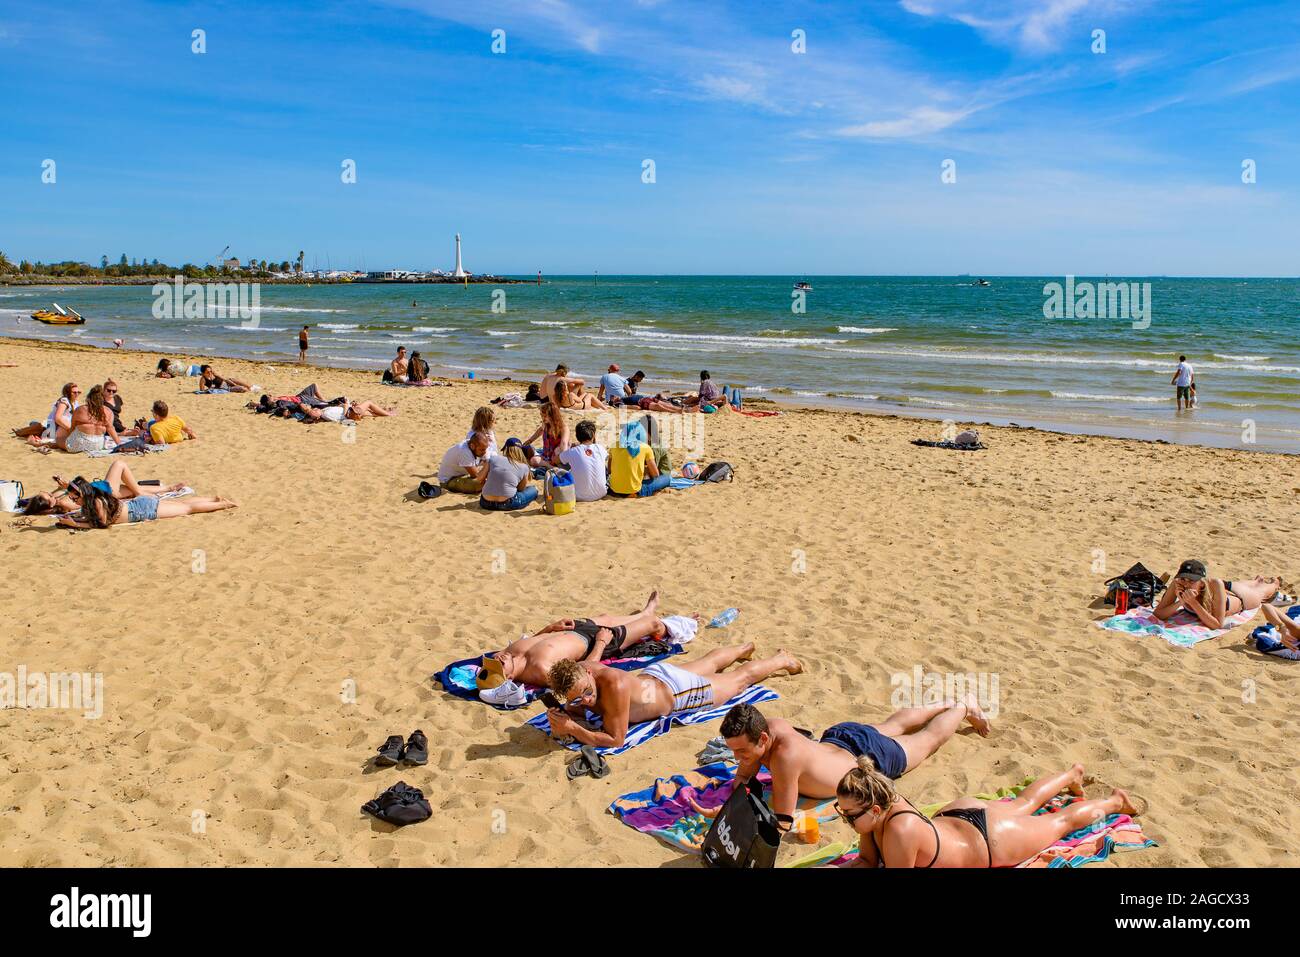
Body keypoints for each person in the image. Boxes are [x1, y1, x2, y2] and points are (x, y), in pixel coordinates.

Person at [689, 700, 990, 829]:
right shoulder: (765, 727)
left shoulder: (785, 757)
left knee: (927, 740)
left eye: (742, 750)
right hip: (840, 737)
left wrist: (733, 813)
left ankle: (962, 704)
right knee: (893, 723)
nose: (738, 758)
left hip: (867, 760)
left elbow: (782, 820)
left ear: (763, 738)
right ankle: (945, 702)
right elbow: (743, 777)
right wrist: (733, 802)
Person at [833, 760, 1139, 868]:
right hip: (959, 815)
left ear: (874, 809)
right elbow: (867, 862)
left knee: (1061, 821)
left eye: (848, 815)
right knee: (1023, 802)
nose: (845, 820)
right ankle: (1072, 774)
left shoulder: (900, 831)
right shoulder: (881, 804)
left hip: (990, 841)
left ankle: (1115, 801)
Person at [542, 642, 802, 750]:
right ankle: (744, 647)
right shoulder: (581, 677)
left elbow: (616, 740)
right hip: (655, 676)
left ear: (589, 673)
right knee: (708, 662)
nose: (585, 700)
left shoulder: (615, 686)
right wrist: (566, 713)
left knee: (738, 680)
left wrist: (573, 728)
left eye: (587, 692)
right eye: (577, 698)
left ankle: (782, 659)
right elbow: (577, 709)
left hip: (677, 692)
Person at [477, 591, 675, 691]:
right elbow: (583, 674)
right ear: (509, 678)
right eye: (499, 664)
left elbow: (537, 640)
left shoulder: (510, 653)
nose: (499, 657)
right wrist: (601, 642)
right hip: (594, 642)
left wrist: (551, 628)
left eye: (493, 659)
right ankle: (670, 624)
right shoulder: (540, 672)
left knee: (606, 616)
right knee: (653, 623)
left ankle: (644, 611)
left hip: (573, 629)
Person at [54, 478, 236, 529]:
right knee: (182, 503)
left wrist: (75, 523)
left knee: (187, 508)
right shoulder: (92, 499)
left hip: (142, 510)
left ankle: (223, 504)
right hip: (138, 505)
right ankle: (213, 499)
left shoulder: (97, 502)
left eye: (74, 497)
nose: (73, 500)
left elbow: (101, 524)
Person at [1152, 559, 1280, 629]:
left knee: (1261, 592)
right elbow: (1159, 613)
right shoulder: (1178, 583)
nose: (1185, 584)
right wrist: (1181, 602)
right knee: (1254, 582)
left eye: (1191, 581)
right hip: (1224, 590)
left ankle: (1274, 584)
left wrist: (1193, 603)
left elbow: (1217, 624)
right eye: (1183, 579)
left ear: (1201, 583)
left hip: (1240, 599)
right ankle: (1257, 580)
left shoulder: (1215, 584)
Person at [22, 462, 187, 515]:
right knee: (119, 464)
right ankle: (140, 493)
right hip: (105, 491)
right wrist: (69, 488)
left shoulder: (59, 499)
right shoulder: (65, 503)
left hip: (102, 489)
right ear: (50, 504)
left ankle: (168, 489)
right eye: (48, 495)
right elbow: (82, 501)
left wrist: (63, 486)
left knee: (131, 488)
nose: (51, 494)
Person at [607, 421, 670, 497]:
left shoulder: (614, 445)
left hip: (614, 490)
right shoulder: (645, 448)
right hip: (636, 491)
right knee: (666, 478)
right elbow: (655, 475)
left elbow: (610, 470)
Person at [480, 438, 538, 511]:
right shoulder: (523, 467)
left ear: (506, 448)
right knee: (533, 489)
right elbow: (521, 489)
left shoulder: (493, 459)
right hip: (507, 503)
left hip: (485, 502)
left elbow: (480, 478)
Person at [61, 385, 124, 453]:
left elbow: (72, 428)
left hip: (78, 444)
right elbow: (111, 430)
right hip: (97, 445)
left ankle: (56, 444)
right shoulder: (108, 412)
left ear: (89, 398)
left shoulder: (80, 410)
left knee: (59, 439)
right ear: (102, 399)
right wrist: (120, 444)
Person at [558, 419, 608, 501]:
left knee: (562, 464)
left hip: (579, 496)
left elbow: (556, 460)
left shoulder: (574, 451)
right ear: (593, 435)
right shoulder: (600, 448)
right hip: (601, 493)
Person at [523, 401, 570, 467]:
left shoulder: (563, 427)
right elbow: (540, 431)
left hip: (557, 455)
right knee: (532, 458)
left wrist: (562, 458)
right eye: (542, 416)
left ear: (552, 415)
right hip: (546, 455)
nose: (543, 418)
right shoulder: (546, 424)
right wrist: (530, 440)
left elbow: (564, 443)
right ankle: (548, 465)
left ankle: (551, 466)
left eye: (545, 416)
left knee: (557, 450)